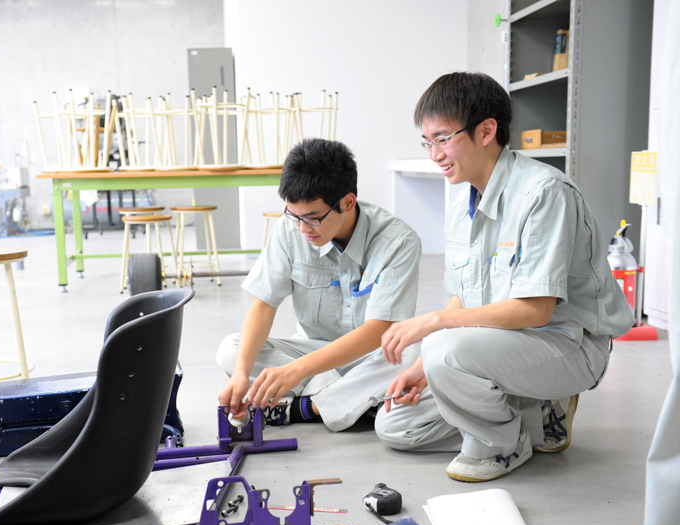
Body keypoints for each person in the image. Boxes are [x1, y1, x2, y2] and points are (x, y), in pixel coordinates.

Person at [375, 72, 634, 482]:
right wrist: (423, 368)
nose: (434, 155)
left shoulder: (544, 193)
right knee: (395, 425)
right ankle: (535, 416)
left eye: (443, 139)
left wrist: (436, 327)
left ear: (486, 131)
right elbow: (462, 298)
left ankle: (503, 445)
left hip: (566, 345)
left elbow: (535, 311)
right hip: (504, 347)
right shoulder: (461, 206)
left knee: (442, 346)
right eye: (427, 142)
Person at [216, 138, 421, 432]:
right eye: (294, 216)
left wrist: (295, 372)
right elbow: (264, 305)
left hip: (371, 356)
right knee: (231, 349)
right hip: (313, 354)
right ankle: (353, 402)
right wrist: (240, 373)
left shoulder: (398, 242)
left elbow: (380, 330)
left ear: (347, 202)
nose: (302, 228)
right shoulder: (289, 230)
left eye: (312, 218)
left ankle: (304, 408)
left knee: (413, 353)